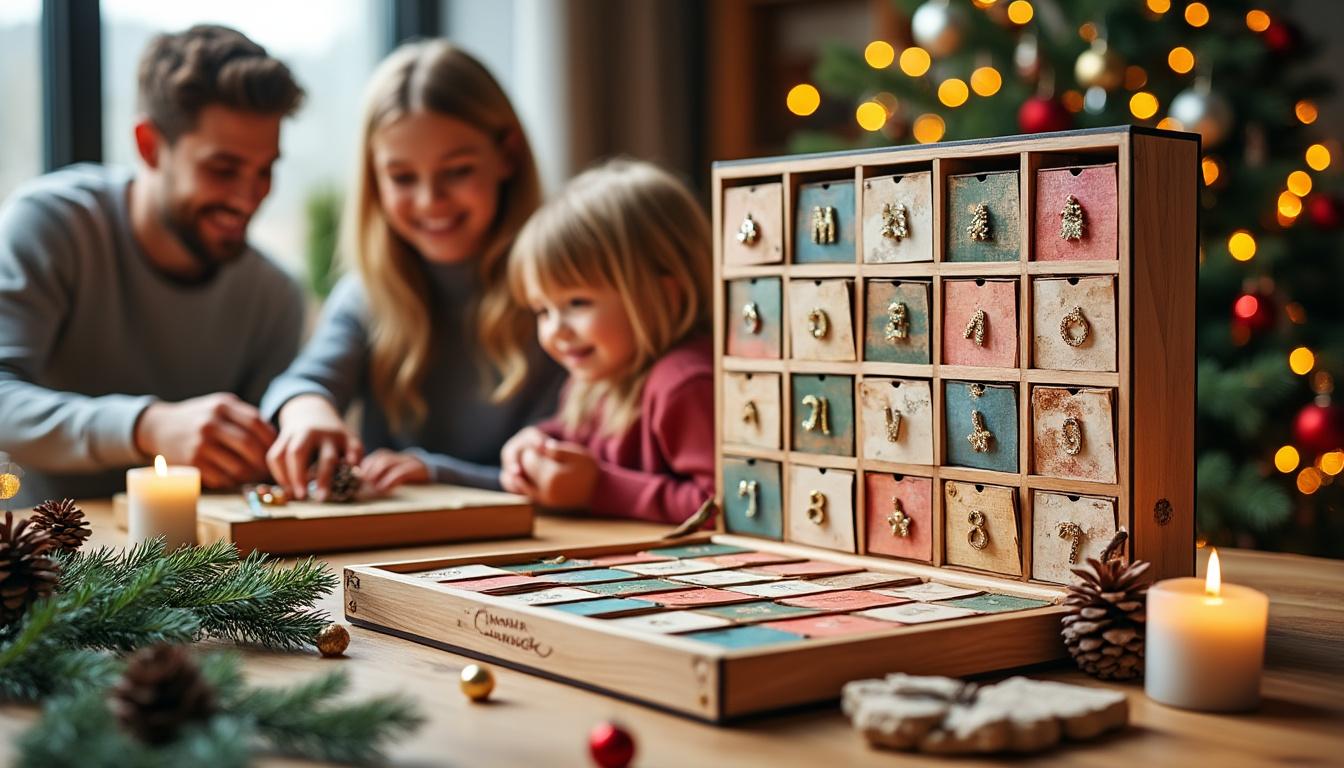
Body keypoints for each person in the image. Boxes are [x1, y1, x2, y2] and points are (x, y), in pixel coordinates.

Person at [0, 25, 306, 505]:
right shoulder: (53, 226)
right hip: (38, 552)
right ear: (148, 145)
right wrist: (148, 426)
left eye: (265, 170)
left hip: (200, 567)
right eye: (222, 169)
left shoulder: (275, 298)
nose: (249, 198)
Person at [262, 41, 562, 500]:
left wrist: (436, 473)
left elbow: (577, 466)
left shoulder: (564, 297)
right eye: (403, 178)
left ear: (508, 155)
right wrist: (308, 412)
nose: (430, 201)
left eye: (458, 171)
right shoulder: (367, 295)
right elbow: (306, 381)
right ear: (374, 180)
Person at [499, 159, 715, 524]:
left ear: (664, 295)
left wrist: (598, 489)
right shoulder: (598, 377)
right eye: (542, 311)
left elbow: (726, 507)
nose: (555, 331)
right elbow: (573, 434)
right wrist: (535, 442)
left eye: (577, 303)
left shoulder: (683, 384)